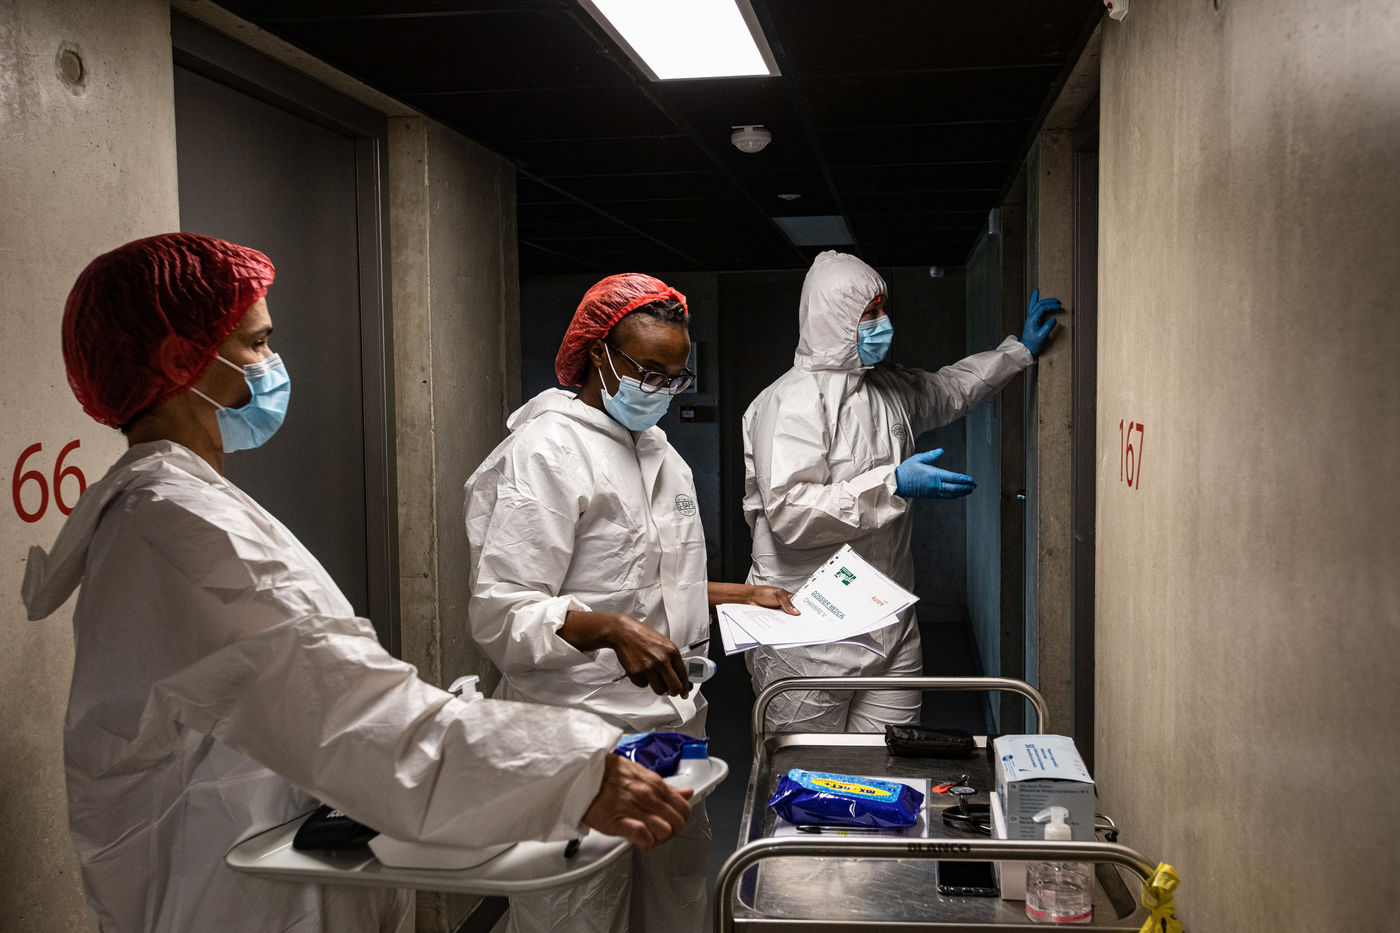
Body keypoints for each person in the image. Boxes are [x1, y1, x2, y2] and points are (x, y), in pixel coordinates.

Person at [22, 234, 692, 933]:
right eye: (257, 343)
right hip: (228, 893)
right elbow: (359, 719)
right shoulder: (182, 529)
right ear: (178, 361)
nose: (273, 364)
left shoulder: (182, 508)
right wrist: (572, 773)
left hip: (248, 864)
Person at [464, 273, 796, 933]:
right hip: (577, 733)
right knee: (577, 914)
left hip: (672, 726)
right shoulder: (545, 451)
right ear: (598, 354)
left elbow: (643, 581)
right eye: (647, 370)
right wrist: (615, 630)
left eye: (674, 376)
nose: (661, 389)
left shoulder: (661, 454)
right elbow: (503, 611)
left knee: (677, 897)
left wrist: (743, 593)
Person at [741, 250, 1062, 734]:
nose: (882, 322)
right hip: (808, 634)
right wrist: (892, 483)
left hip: (889, 622)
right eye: (868, 313)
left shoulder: (886, 388)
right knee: (806, 770)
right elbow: (791, 514)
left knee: (890, 762)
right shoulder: (790, 402)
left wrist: (1018, 353)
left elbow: (950, 390)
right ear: (834, 318)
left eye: (882, 308)